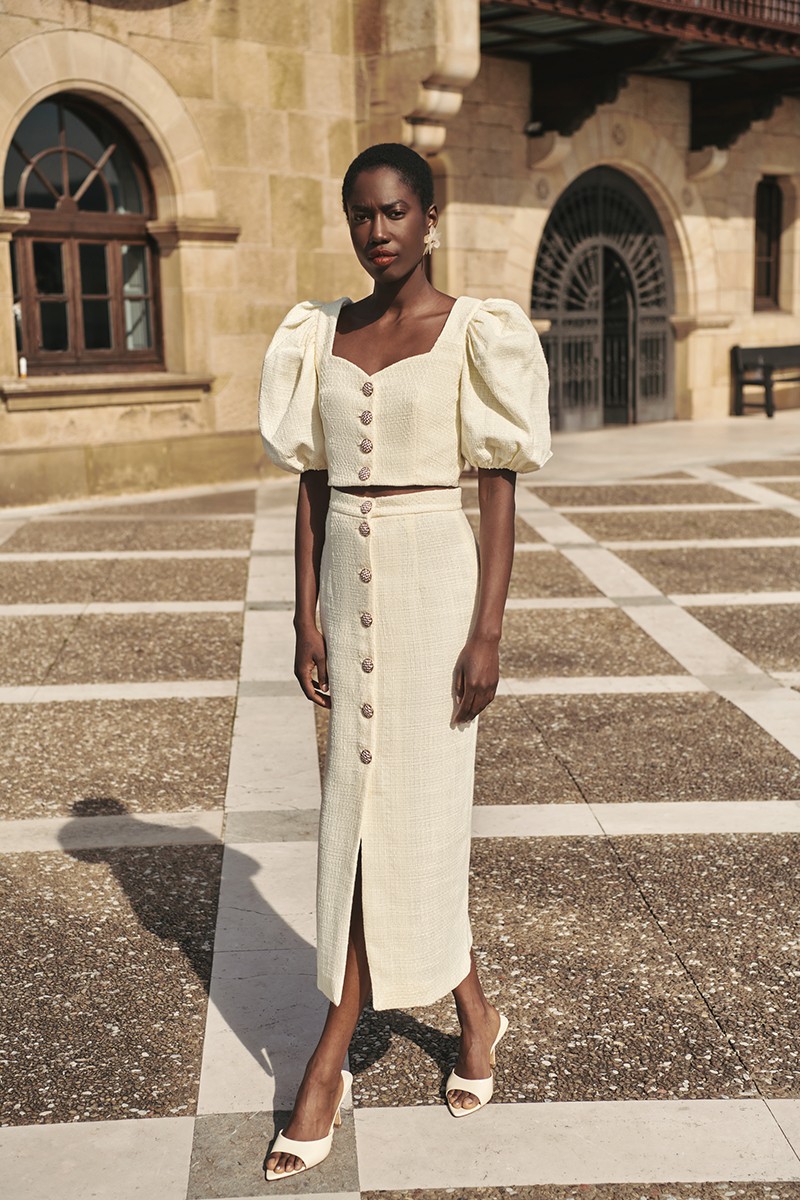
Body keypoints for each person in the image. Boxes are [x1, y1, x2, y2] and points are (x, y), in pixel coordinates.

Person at [258, 142, 551, 1179]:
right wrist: (305, 619)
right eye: (359, 216)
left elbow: (502, 482)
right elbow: (307, 485)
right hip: (346, 570)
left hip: (435, 581)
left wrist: (487, 631)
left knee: (417, 816)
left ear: (430, 216)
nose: (374, 232)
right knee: (356, 816)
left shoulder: (475, 330)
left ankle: (328, 1058)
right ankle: (474, 1011)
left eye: (391, 212)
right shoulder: (319, 334)